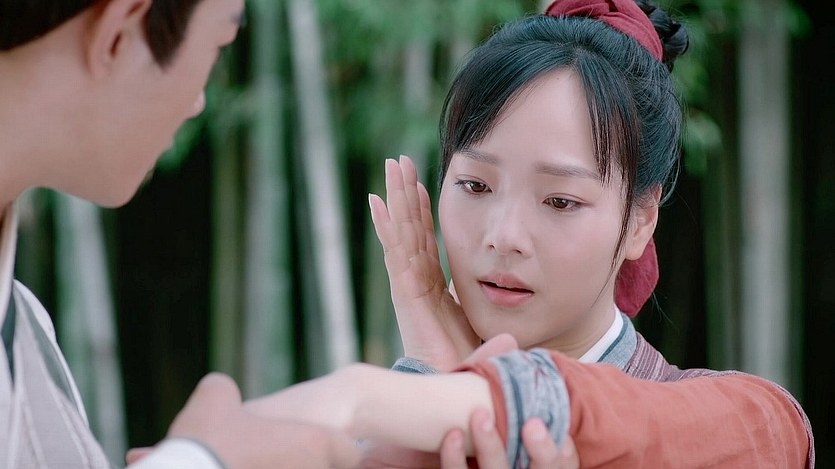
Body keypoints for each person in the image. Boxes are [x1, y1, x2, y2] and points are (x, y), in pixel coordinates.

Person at [0, 0, 570, 467]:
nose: (199, 100)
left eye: (560, 200)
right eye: (220, 43)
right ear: (121, 30)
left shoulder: (27, 329)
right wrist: (203, 459)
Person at [246, 0, 815, 467]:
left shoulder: (727, 423)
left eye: (560, 201)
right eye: (474, 185)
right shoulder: (379, 437)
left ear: (641, 219)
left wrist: (440, 396)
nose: (504, 236)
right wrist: (431, 379)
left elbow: (777, 430)